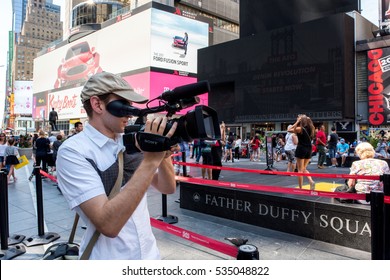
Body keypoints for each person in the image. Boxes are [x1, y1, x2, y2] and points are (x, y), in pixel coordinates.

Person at [56, 72, 178, 260]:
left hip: (150, 255)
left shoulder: (130, 140)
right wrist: (151, 160)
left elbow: (167, 187)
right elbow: (108, 224)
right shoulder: (73, 152)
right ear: (97, 104)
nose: (130, 112)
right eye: (123, 104)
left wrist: (162, 149)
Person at [288, 114, 316, 189]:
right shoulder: (311, 128)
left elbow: (289, 130)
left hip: (301, 148)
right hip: (309, 149)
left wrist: (297, 122)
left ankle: (300, 188)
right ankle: (311, 181)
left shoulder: (300, 129)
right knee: (303, 168)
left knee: (300, 170)